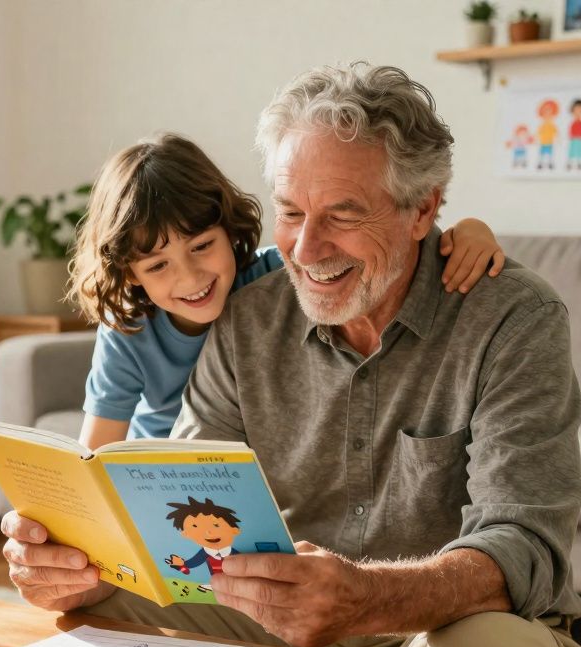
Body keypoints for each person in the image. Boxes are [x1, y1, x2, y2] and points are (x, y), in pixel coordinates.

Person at [1, 63, 581, 647]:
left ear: (424, 210)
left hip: (442, 622)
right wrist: (80, 568)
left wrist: (367, 597)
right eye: (290, 213)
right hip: (276, 611)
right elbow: (187, 496)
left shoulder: (514, 317)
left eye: (342, 214)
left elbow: (525, 542)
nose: (306, 249)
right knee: (94, 615)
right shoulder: (246, 312)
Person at [67, 133, 506, 448]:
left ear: (230, 230)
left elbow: (397, 244)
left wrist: (471, 230)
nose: (189, 277)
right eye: (158, 265)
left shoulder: (275, 277)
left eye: (202, 246)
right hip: (163, 476)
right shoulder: (128, 328)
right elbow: (98, 450)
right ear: (129, 274)